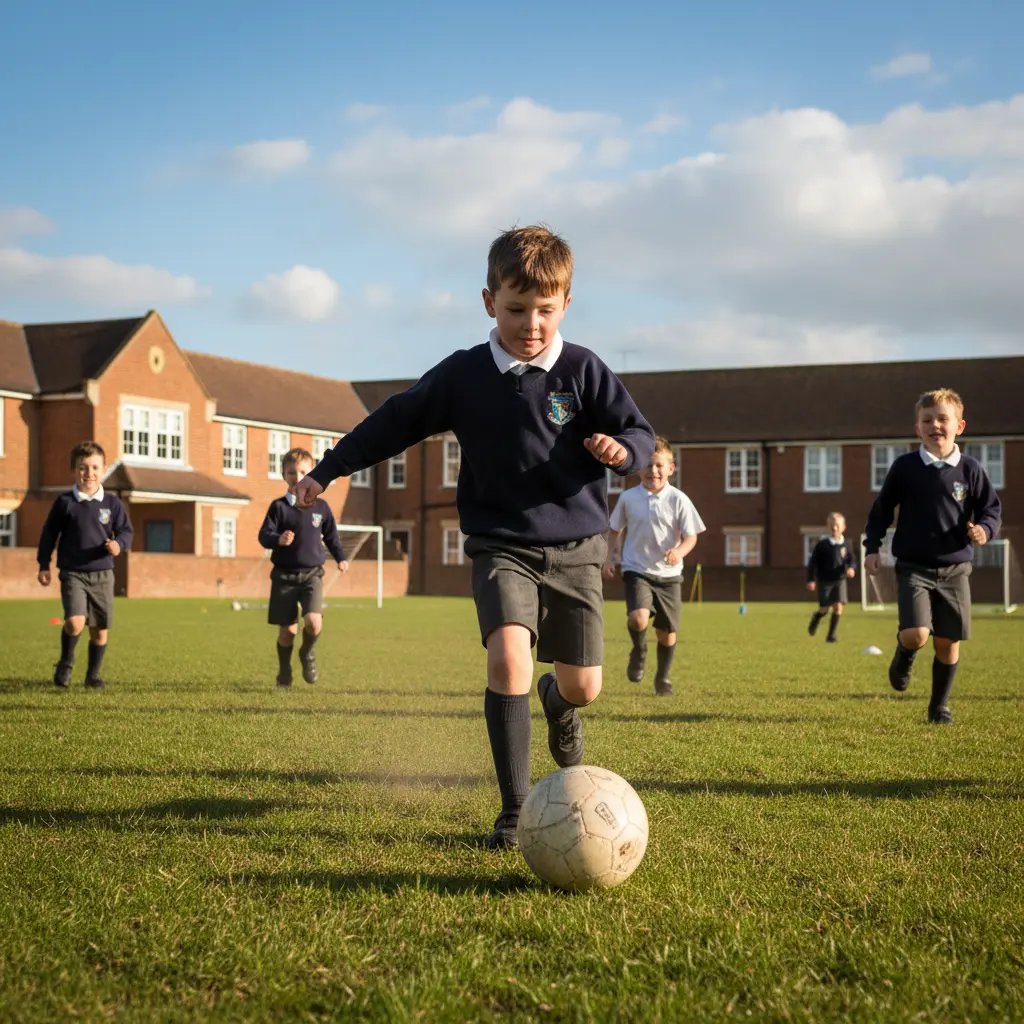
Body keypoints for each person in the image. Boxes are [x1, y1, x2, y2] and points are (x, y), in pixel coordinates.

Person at [295, 225, 655, 849]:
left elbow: (640, 433)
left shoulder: (583, 370)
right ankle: (516, 812)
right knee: (508, 658)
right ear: (489, 301)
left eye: (545, 310)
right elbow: (394, 422)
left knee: (583, 685)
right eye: (517, 309)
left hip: (577, 550)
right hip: (501, 544)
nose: (532, 325)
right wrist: (329, 470)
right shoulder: (464, 375)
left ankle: (558, 702)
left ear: (566, 303)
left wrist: (623, 450)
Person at [864, 388, 1001, 724]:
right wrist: (872, 548)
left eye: (943, 419)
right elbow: (881, 511)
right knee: (917, 635)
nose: (935, 425)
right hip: (914, 567)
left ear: (960, 426)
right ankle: (904, 655)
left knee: (947, 642)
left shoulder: (970, 470)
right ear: (917, 428)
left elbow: (991, 509)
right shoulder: (905, 467)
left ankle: (939, 706)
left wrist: (985, 529)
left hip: (956, 569)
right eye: (927, 420)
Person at [602, 437, 705, 695]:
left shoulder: (679, 500)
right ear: (638, 469)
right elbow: (614, 530)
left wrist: (679, 551)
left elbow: (691, 536)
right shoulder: (628, 498)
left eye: (659, 466)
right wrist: (608, 558)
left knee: (666, 633)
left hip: (669, 576)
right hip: (637, 569)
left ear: (671, 468)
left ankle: (662, 678)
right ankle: (638, 650)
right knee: (637, 618)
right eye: (648, 466)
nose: (653, 471)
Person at [36, 440, 134, 689]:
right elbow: (49, 535)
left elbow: (126, 532)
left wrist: (118, 545)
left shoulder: (112, 504)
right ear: (74, 470)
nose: (88, 473)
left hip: (102, 574)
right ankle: (65, 663)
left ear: (103, 470)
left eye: (94, 467)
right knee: (75, 622)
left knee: (100, 630)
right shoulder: (65, 503)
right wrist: (44, 564)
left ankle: (93, 675)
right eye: (82, 468)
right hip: (73, 573)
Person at [258, 447, 349, 687]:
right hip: (284, 576)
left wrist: (340, 557)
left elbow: (331, 537)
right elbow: (264, 535)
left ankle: (307, 653)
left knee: (313, 622)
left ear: (311, 474)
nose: (296, 477)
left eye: (302, 472)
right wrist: (277, 539)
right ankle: (284, 670)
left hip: (312, 575)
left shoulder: (321, 508)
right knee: (287, 632)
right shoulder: (278, 508)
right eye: (291, 472)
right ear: (283, 475)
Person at [805, 512, 856, 643]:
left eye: (837, 525)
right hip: (825, 581)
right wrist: (810, 579)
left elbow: (852, 560)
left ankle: (831, 635)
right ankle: (816, 618)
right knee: (824, 609)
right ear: (828, 526)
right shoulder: (822, 545)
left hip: (840, 580)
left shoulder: (847, 544)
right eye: (832, 525)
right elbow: (813, 563)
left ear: (843, 527)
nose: (835, 528)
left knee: (838, 607)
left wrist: (851, 569)